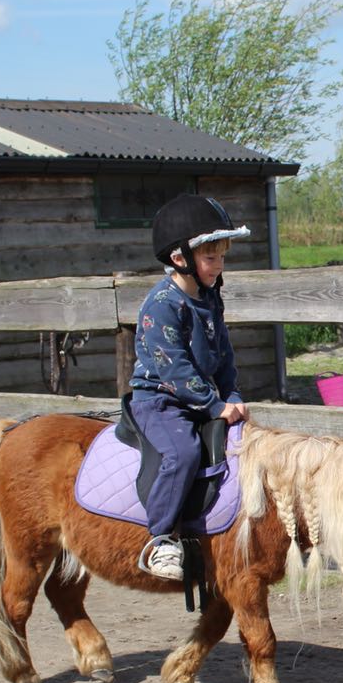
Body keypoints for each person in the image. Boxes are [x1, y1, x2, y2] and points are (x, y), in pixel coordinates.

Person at [129, 194, 251, 580]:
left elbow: (223, 353)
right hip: (161, 401)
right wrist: (213, 405)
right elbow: (174, 368)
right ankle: (162, 538)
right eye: (211, 258)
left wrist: (231, 393)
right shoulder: (163, 304)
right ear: (180, 258)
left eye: (222, 257)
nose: (219, 265)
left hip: (203, 397)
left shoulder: (209, 298)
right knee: (182, 453)